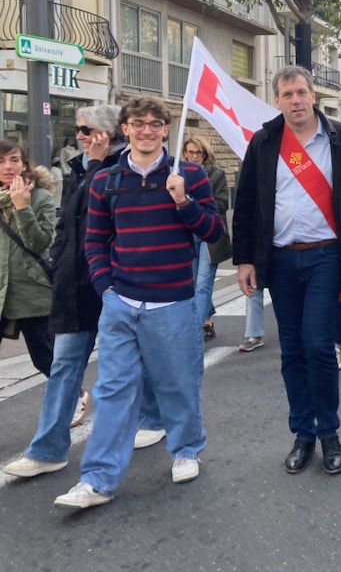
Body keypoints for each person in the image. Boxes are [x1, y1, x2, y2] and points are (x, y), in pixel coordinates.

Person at [53, 97, 223, 510]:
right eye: (138, 124)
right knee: (112, 390)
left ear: (166, 129)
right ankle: (97, 479)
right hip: (120, 304)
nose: (147, 131)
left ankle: (185, 449)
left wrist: (184, 201)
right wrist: (106, 287)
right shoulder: (106, 181)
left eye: (155, 124)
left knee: (177, 384)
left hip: (174, 303)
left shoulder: (191, 175)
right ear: (124, 129)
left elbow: (213, 231)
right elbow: (95, 240)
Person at [233, 66, 341, 476]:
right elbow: (246, 204)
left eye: (301, 92)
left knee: (317, 344)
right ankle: (302, 434)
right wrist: (245, 259)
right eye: (286, 94)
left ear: (313, 96)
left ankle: (329, 431)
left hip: (327, 257)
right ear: (276, 100)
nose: (295, 100)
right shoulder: (264, 142)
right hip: (279, 259)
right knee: (291, 350)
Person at [4, 106, 126, 479]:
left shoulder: (122, 168)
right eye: (78, 130)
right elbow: (66, 228)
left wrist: (98, 163)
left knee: (132, 367)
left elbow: (106, 215)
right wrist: (60, 267)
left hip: (113, 285)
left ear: (105, 133)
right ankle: (48, 450)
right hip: (73, 284)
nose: (80, 136)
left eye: (86, 130)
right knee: (63, 367)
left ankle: (156, 422)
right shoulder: (79, 169)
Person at [0, 140, 55, 377]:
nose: (8, 166)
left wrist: (22, 208)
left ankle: (73, 397)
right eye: (1, 161)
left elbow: (40, 243)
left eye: (14, 159)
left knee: (46, 359)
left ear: (24, 165)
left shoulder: (41, 197)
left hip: (33, 293)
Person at [181, 135, 232, 341]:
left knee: (203, 283)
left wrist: (196, 206)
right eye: (190, 152)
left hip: (209, 235)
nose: (194, 156)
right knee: (193, 283)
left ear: (205, 154)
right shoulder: (178, 173)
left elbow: (221, 203)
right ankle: (207, 320)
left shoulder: (216, 173)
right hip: (187, 235)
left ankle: (195, 329)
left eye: (198, 152)